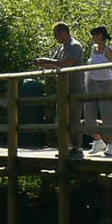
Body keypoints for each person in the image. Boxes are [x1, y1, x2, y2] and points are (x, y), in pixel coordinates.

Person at [36, 21, 86, 158]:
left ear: (63, 32)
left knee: (74, 120)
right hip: (63, 90)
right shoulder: (61, 48)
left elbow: (67, 63)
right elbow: (54, 65)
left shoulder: (75, 46)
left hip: (75, 89)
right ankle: (65, 147)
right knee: (61, 120)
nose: (55, 37)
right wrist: (43, 64)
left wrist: (46, 60)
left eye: (56, 34)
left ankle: (77, 149)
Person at [83, 26, 112, 158]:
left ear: (100, 36)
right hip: (92, 84)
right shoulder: (93, 49)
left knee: (107, 115)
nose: (92, 38)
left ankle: (111, 146)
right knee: (88, 114)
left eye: (94, 35)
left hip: (106, 84)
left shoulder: (108, 50)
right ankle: (98, 141)